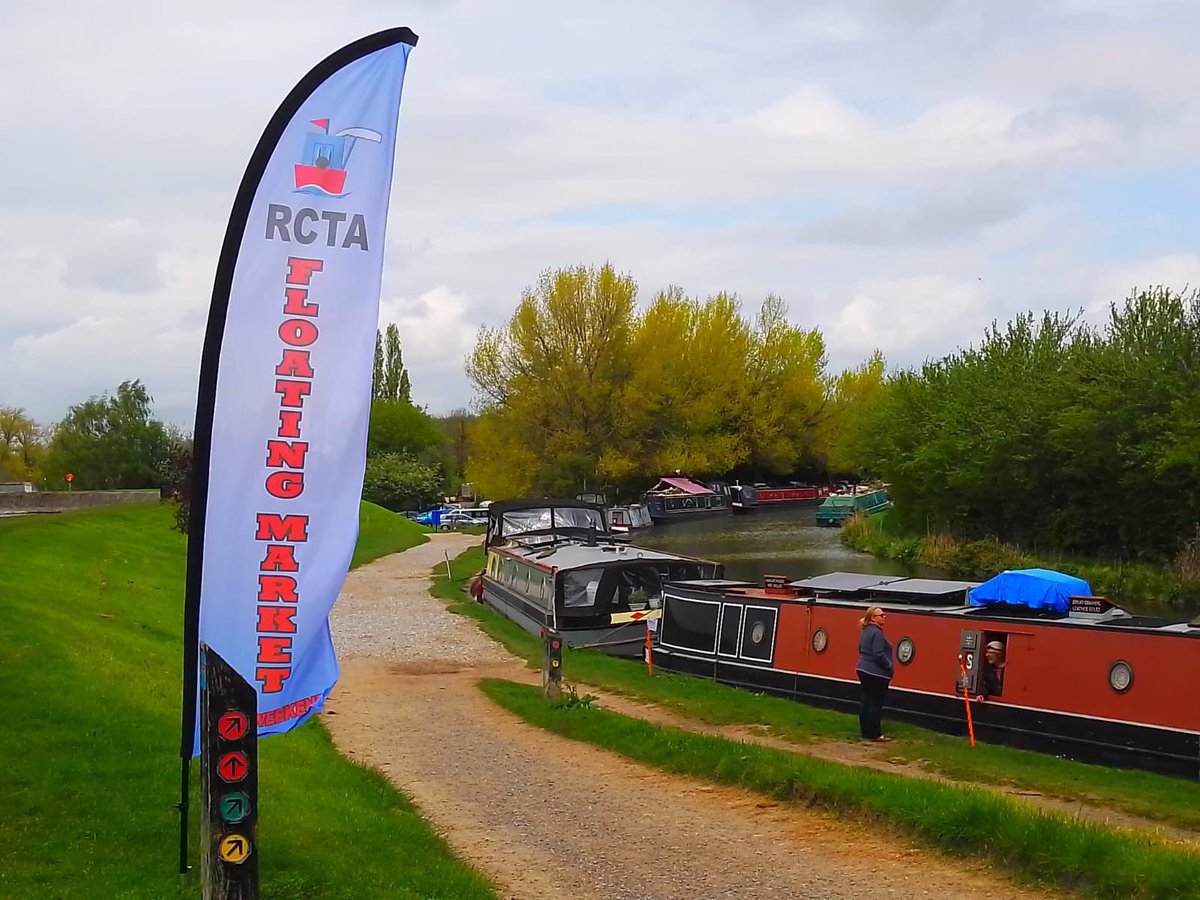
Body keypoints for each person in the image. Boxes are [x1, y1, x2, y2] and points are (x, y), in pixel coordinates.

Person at [856, 606, 894, 742]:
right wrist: (888, 666)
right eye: (881, 615)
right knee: (876, 702)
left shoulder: (865, 631)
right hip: (876, 673)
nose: (884, 617)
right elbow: (878, 653)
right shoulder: (877, 633)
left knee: (866, 700)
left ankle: (865, 731)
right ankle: (875, 733)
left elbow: (860, 649)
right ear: (873, 618)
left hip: (862, 668)